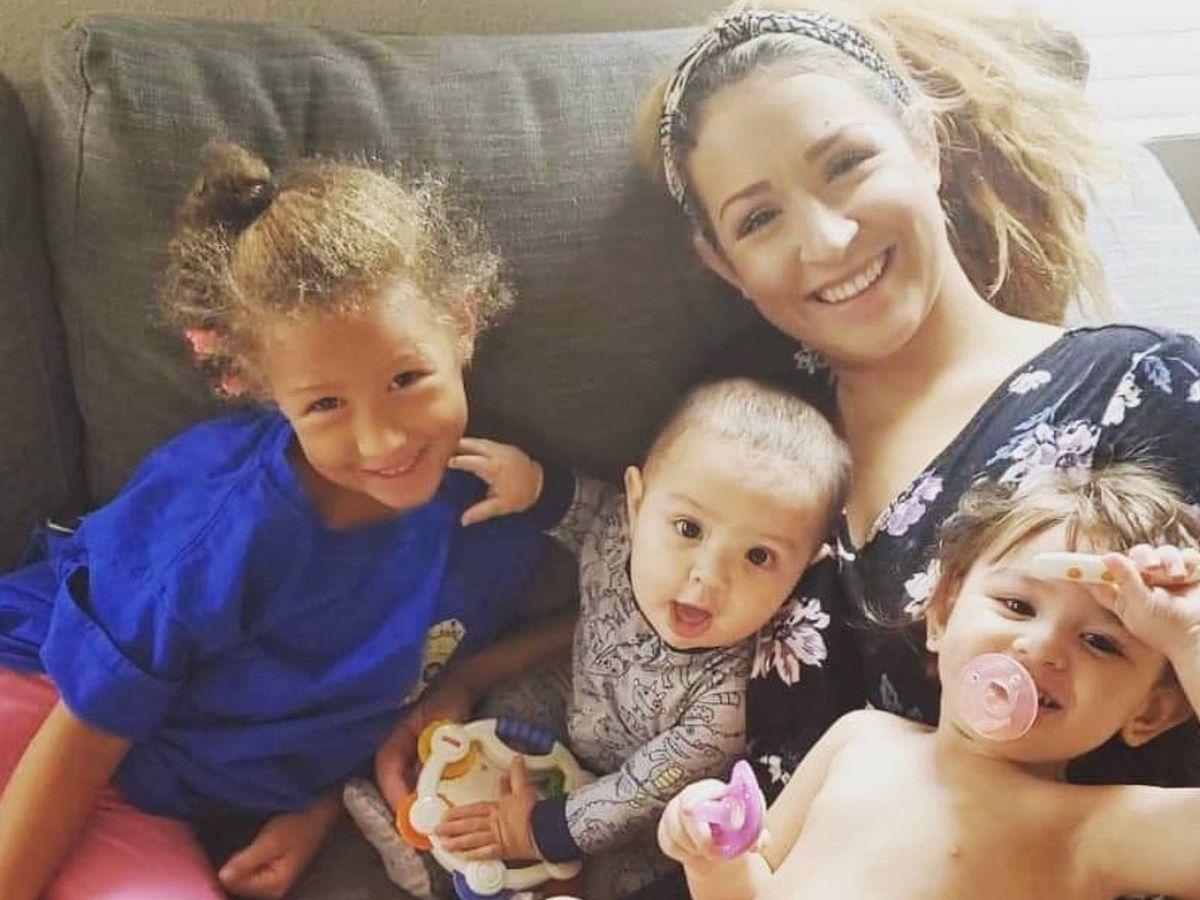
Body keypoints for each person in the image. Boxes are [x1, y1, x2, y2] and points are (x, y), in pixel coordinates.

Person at [632, 0, 1200, 813]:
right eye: (758, 219)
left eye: (846, 164)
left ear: (927, 147)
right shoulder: (740, 424)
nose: (826, 241)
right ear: (724, 265)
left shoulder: (1146, 389)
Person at [0, 141, 573, 900]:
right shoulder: (223, 521)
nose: (382, 440)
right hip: (42, 708)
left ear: (461, 324)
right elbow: (84, 728)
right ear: (265, 388)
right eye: (326, 404)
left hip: (141, 793)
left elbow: (604, 615)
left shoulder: (496, 519)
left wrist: (320, 803)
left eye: (407, 378)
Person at [345, 377, 853, 899]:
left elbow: (637, 794)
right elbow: (582, 509)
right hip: (567, 700)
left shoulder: (726, 703)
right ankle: (422, 827)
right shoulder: (616, 534)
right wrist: (531, 485)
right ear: (638, 502)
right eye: (688, 529)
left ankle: (491, 882)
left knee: (621, 873)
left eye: (758, 557)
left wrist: (535, 831)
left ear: (802, 574)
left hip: (626, 804)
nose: (707, 577)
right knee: (494, 724)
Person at [660, 464, 1200, 899]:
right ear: (941, 612)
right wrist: (715, 857)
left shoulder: (1092, 829)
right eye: (1017, 605)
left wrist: (1191, 638)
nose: (1042, 648)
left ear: (1150, 711)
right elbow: (756, 884)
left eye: (1100, 642)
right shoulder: (859, 740)